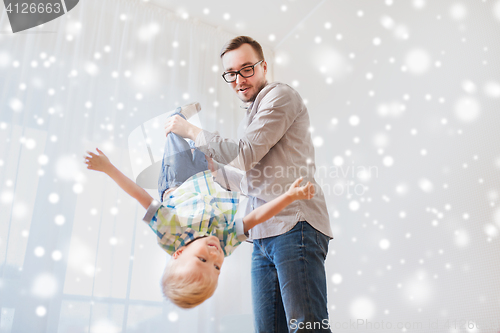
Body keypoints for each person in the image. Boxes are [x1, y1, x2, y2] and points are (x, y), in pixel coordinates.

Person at [163, 36, 333, 332]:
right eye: (232, 73)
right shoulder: (249, 119)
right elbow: (248, 180)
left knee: (306, 327)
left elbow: (243, 154)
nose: (239, 80)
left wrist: (190, 130)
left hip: (295, 226)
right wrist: (208, 173)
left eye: (247, 69)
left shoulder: (280, 96)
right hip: (262, 236)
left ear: (264, 66)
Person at [84, 107, 316, 309]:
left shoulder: (171, 232)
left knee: (175, 133)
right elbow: (255, 218)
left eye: (202, 260)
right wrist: (289, 196)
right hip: (207, 178)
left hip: (178, 179)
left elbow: (140, 195)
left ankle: (178, 114)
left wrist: (108, 168)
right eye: (216, 268)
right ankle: (190, 131)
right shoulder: (224, 243)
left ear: (179, 253)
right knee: (202, 142)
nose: (214, 256)